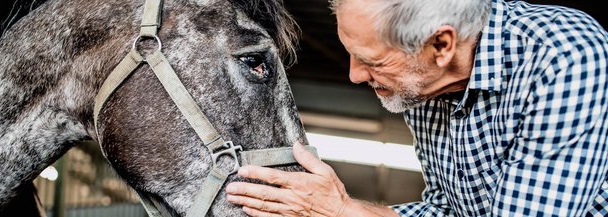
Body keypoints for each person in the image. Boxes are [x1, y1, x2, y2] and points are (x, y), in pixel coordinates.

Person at [226, 0, 608, 216]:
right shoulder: (420, 85)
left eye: (372, 61)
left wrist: (341, 212)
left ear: (441, 45)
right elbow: (445, 211)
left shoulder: (565, 59)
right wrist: (336, 210)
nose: (356, 76)